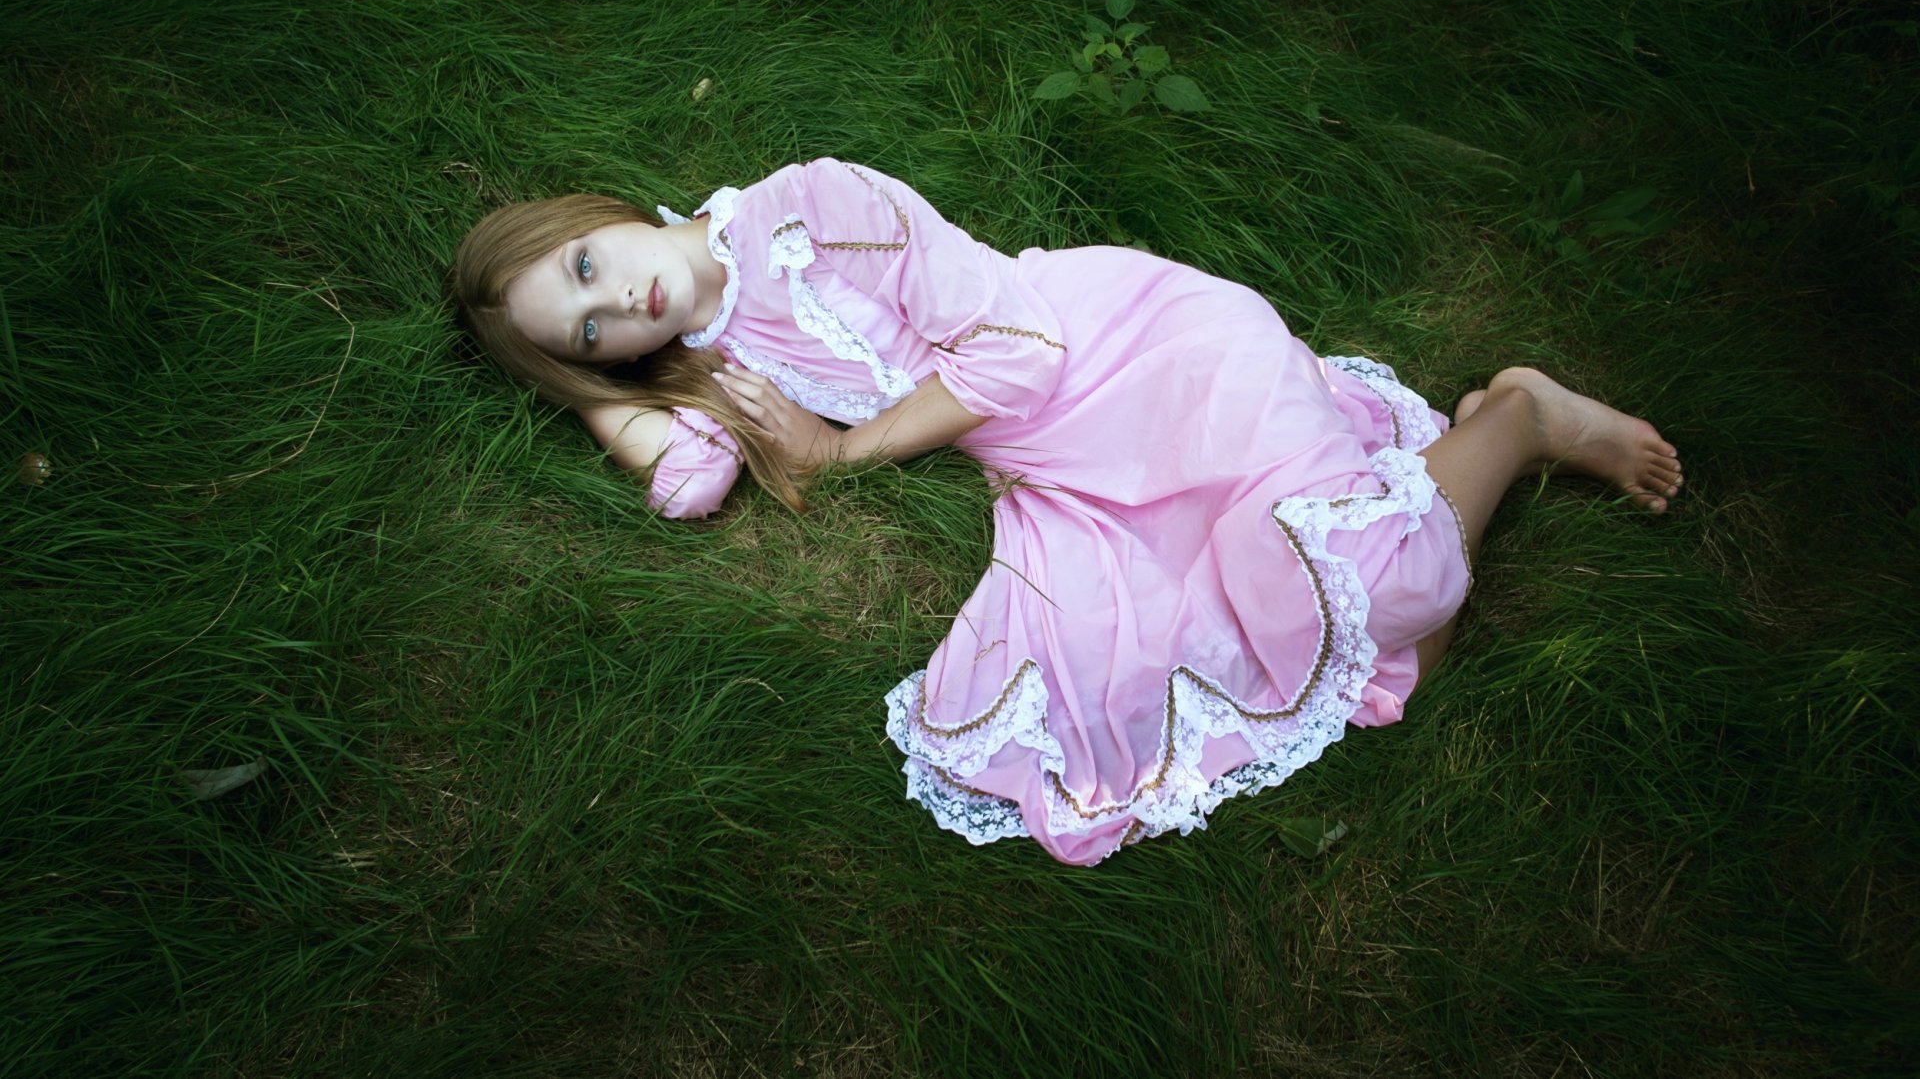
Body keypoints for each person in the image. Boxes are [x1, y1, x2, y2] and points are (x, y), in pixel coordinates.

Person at [453, 157, 1683, 865]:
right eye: (597, 329)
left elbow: (1021, 349)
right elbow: (688, 483)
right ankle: (1476, 464)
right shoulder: (714, 371)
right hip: (1066, 468)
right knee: (1325, 626)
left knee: (1393, 597)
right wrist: (589, 396)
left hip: (1129, 349)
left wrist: (840, 449)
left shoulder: (809, 206)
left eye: (585, 266)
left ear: (595, 214)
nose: (621, 296)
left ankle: (1518, 419)